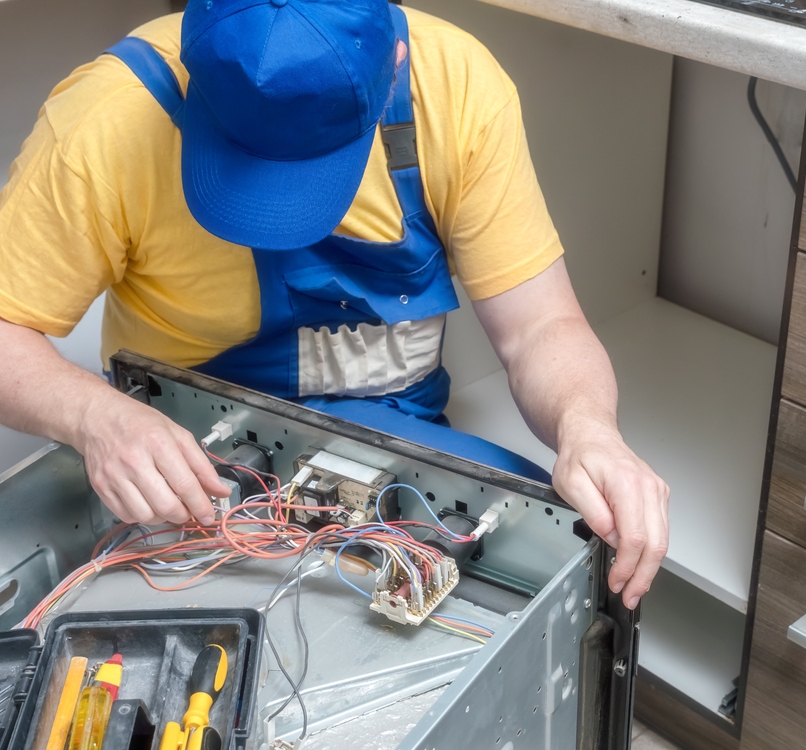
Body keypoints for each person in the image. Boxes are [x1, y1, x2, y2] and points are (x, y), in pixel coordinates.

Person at [0, 0, 668, 609]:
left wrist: (590, 430)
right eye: (250, 164)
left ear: (394, 62)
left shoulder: (457, 87)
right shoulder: (108, 118)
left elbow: (540, 327)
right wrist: (97, 418)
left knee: (554, 571)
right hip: (197, 473)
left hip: (398, 445)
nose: (284, 218)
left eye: (313, 169)